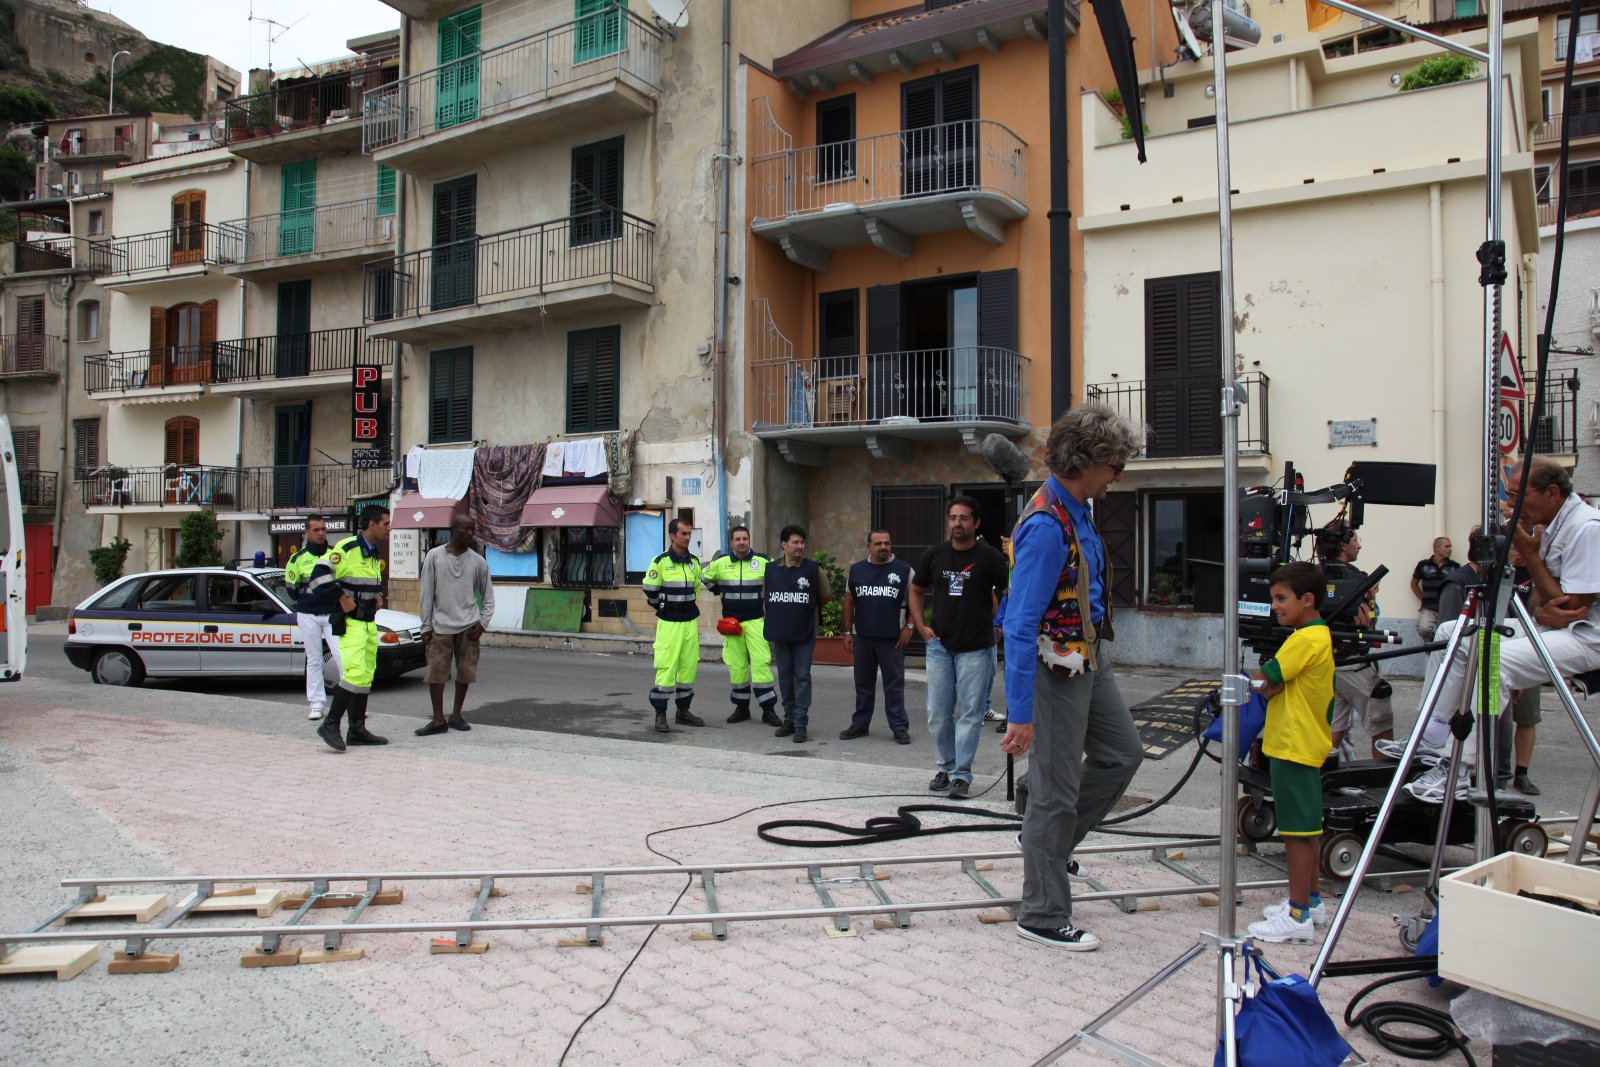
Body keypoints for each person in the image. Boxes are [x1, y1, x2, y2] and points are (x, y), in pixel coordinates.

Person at [1000, 403, 1142, 951]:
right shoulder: (1046, 525)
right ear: (1088, 461)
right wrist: (1020, 713)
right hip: (1054, 667)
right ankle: (1041, 912)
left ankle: (1046, 843)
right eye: (1115, 466)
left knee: (1122, 753)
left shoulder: (1076, 507)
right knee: (1055, 791)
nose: (1118, 477)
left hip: (1087, 656)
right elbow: (1018, 625)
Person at [1405, 458, 1600, 803]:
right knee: (1452, 631)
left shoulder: (1586, 528)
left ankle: (1461, 767)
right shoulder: (1550, 524)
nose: (1510, 505)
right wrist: (1540, 606)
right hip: (1551, 626)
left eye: (1517, 496)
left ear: (1552, 492)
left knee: (1494, 660)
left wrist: (1530, 555)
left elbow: (1572, 607)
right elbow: (1541, 599)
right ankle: (1431, 734)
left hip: (1587, 637)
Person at [1246, 561, 1336, 944]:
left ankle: (1298, 915)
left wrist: (1264, 682)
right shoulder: (1318, 635)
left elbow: (1264, 679)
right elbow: (1275, 682)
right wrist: (1272, 684)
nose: (1275, 607)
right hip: (1305, 742)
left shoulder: (1303, 640)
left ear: (1307, 599)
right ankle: (1311, 901)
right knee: (1309, 828)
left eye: (1281, 599)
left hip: (1292, 744)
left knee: (1296, 832)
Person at [912, 497, 1008, 799]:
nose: (957, 523)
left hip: (976, 648)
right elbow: (915, 589)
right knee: (938, 714)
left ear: (976, 523)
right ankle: (947, 766)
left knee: (970, 714)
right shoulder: (934, 554)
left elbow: (1007, 592)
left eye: (964, 518)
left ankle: (961, 775)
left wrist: (1001, 624)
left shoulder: (990, 557)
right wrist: (921, 627)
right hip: (939, 646)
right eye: (953, 518)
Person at [314, 505, 392, 753]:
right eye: (386, 524)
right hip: (351, 623)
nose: (390, 528)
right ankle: (330, 724)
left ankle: (356, 729)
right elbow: (318, 577)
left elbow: (367, 582)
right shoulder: (347, 548)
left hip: (368, 622)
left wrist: (378, 594)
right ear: (372, 525)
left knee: (366, 675)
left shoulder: (372, 552)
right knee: (355, 673)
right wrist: (341, 597)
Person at [1315, 520, 1395, 759]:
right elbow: (1365, 622)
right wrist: (1369, 598)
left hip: (1326, 663)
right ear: (1343, 543)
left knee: (1333, 727)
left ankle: (1321, 774)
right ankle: (1383, 777)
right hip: (1353, 663)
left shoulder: (1314, 576)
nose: (1359, 546)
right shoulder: (1356, 579)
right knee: (1382, 724)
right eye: (1356, 540)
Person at [415, 513, 495, 737]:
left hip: (469, 627)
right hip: (440, 626)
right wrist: (426, 625)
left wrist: (483, 623)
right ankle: (438, 719)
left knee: (465, 673)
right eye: (465, 529)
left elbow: (488, 596)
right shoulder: (434, 556)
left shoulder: (478, 561)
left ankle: (456, 715)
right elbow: (426, 593)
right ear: (453, 529)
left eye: (472, 530)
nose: (469, 533)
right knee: (436, 673)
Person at [840, 529, 915, 744]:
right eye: (878, 543)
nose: (883, 547)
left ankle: (899, 727)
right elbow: (848, 603)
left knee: (894, 685)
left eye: (887, 543)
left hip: (892, 639)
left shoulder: (905, 570)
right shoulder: (856, 570)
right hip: (863, 637)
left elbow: (916, 601)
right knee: (863, 684)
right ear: (868, 547)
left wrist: (909, 626)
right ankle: (860, 724)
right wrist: (848, 632)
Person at [702, 526, 780, 726]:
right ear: (731, 542)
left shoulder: (763, 561)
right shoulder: (721, 563)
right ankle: (742, 708)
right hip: (731, 623)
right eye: (737, 539)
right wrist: (718, 590)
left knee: (761, 664)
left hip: (755, 621)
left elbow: (779, 577)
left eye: (745, 538)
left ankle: (768, 710)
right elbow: (704, 576)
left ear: (749, 540)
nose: (742, 542)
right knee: (736, 667)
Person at [764, 524, 828, 744]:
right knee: (785, 677)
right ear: (784, 544)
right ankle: (789, 719)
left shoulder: (814, 569)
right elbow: (768, 598)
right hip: (781, 633)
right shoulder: (771, 569)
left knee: (802, 677)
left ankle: (801, 723)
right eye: (795, 542)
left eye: (802, 542)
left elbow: (825, 597)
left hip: (803, 633)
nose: (800, 546)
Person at [643, 518, 704, 734]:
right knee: (667, 668)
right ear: (672, 536)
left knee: (688, 668)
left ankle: (683, 712)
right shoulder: (660, 562)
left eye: (689, 534)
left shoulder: (694, 562)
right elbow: (650, 591)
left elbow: (697, 589)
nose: (687, 537)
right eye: (683, 534)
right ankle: (660, 714)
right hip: (669, 623)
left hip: (690, 621)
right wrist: (665, 607)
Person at [285, 518, 342, 721]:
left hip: (332, 614)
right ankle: (317, 704)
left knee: (343, 657)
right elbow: (291, 590)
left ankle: (351, 702)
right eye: (316, 529)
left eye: (323, 529)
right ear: (307, 532)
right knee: (314, 659)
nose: (321, 533)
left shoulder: (336, 554)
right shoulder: (297, 559)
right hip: (308, 614)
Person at [1410, 536, 1457, 642]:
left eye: (1450, 546)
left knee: (1447, 633)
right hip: (1428, 608)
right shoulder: (1423, 565)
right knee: (1423, 629)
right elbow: (1413, 584)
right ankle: (1431, 644)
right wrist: (1423, 599)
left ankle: (1438, 647)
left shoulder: (1454, 567)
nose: (1450, 549)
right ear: (1436, 548)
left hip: (1446, 608)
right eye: (1447, 546)